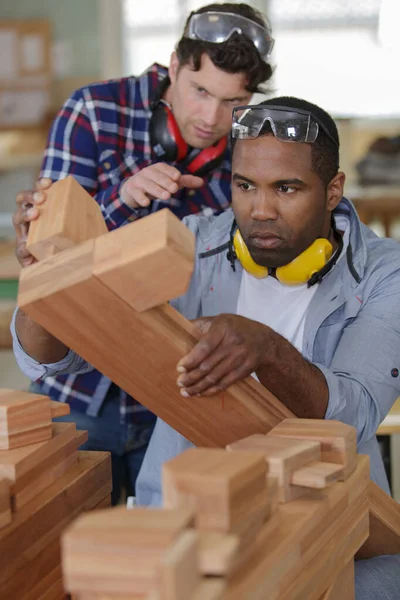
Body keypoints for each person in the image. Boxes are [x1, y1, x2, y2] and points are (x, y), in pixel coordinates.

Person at [11, 95, 400, 600]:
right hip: (187, 526)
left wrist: (268, 351)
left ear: (332, 191)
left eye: (287, 188)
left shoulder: (382, 273)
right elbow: (54, 356)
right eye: (245, 186)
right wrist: (47, 277)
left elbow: (353, 415)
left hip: (326, 527)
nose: (260, 210)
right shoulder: (191, 244)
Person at [11, 3, 274, 504]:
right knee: (65, 557)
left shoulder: (249, 150)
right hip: (83, 389)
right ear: (174, 66)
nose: (211, 118)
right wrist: (122, 201)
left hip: (178, 397)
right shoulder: (93, 110)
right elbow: (49, 265)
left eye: (233, 103)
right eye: (200, 91)